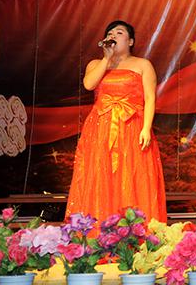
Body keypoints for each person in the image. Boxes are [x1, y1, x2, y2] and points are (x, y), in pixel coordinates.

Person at [66, 20, 167, 222]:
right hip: (101, 128)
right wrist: (107, 58)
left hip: (131, 125)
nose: (113, 35)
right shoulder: (96, 64)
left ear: (130, 41)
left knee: (131, 173)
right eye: (110, 33)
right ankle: (97, 226)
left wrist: (146, 128)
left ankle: (134, 227)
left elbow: (150, 98)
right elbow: (89, 84)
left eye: (119, 32)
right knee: (100, 174)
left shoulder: (143, 64)